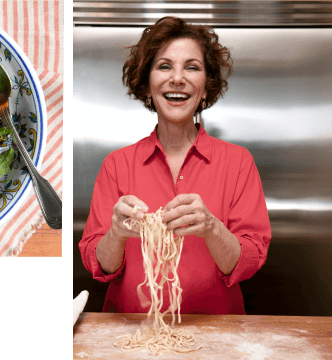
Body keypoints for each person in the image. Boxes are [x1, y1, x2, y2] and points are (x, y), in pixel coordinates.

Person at [79, 17, 271, 315]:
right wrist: (116, 233)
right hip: (132, 332)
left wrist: (211, 227)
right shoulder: (117, 164)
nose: (177, 78)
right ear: (147, 86)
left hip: (217, 332)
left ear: (206, 88)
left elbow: (247, 263)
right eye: (164, 66)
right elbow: (99, 265)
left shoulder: (238, 162)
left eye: (191, 67)